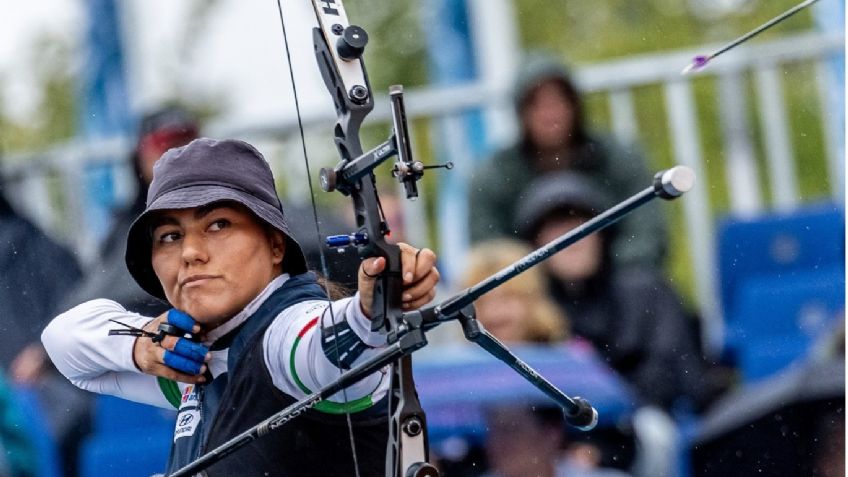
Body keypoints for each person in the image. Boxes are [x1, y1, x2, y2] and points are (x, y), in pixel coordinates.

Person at [41, 138, 440, 476]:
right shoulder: (194, 364)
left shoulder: (285, 339)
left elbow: (326, 344)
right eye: (170, 236)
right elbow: (63, 341)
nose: (191, 253)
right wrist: (141, 345)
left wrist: (371, 309)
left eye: (218, 225)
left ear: (276, 245)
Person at [514, 171, 728, 477]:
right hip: (561, 436)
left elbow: (673, 372)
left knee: (655, 432)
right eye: (556, 229)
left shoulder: (647, 290)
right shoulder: (533, 309)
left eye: (580, 226)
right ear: (536, 244)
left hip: (638, 426)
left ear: (602, 236)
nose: (572, 241)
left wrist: (603, 439)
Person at [469, 52, 667, 269]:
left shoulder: (617, 158)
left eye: (558, 101)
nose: (550, 115)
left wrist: (598, 270)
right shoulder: (496, 174)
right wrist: (543, 275)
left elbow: (647, 234)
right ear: (521, 112)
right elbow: (490, 252)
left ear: (574, 105)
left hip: (614, 278)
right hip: (532, 284)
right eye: (537, 105)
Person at [59, 105, 200, 316]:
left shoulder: (235, 211)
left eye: (190, 147)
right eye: (167, 149)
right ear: (140, 159)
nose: (180, 159)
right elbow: (84, 308)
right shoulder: (127, 230)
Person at [461, 239, 567, 344]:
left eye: (506, 299)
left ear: (532, 299)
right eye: (481, 302)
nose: (492, 313)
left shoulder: (567, 351)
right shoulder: (459, 353)